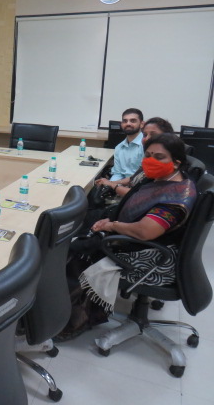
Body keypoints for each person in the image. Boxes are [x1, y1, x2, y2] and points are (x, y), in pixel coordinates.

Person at [59, 133, 197, 340]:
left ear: (176, 163)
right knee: (77, 223)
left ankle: (69, 320)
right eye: (148, 155)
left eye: (159, 157)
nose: (151, 161)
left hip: (148, 254)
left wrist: (112, 226)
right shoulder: (163, 179)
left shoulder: (175, 198)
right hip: (133, 238)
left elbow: (144, 231)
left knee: (75, 248)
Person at [96, 117, 173, 198]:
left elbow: (141, 196)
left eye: (153, 135)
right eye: (145, 135)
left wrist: (113, 185)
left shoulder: (164, 163)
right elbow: (134, 178)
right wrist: (112, 182)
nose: (147, 139)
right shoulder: (150, 158)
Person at [105, 108, 145, 181]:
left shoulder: (147, 146)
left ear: (142, 124)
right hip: (121, 186)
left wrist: (115, 185)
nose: (128, 124)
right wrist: (110, 186)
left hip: (140, 186)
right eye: (125, 121)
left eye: (133, 121)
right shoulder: (119, 148)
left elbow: (144, 176)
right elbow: (118, 174)